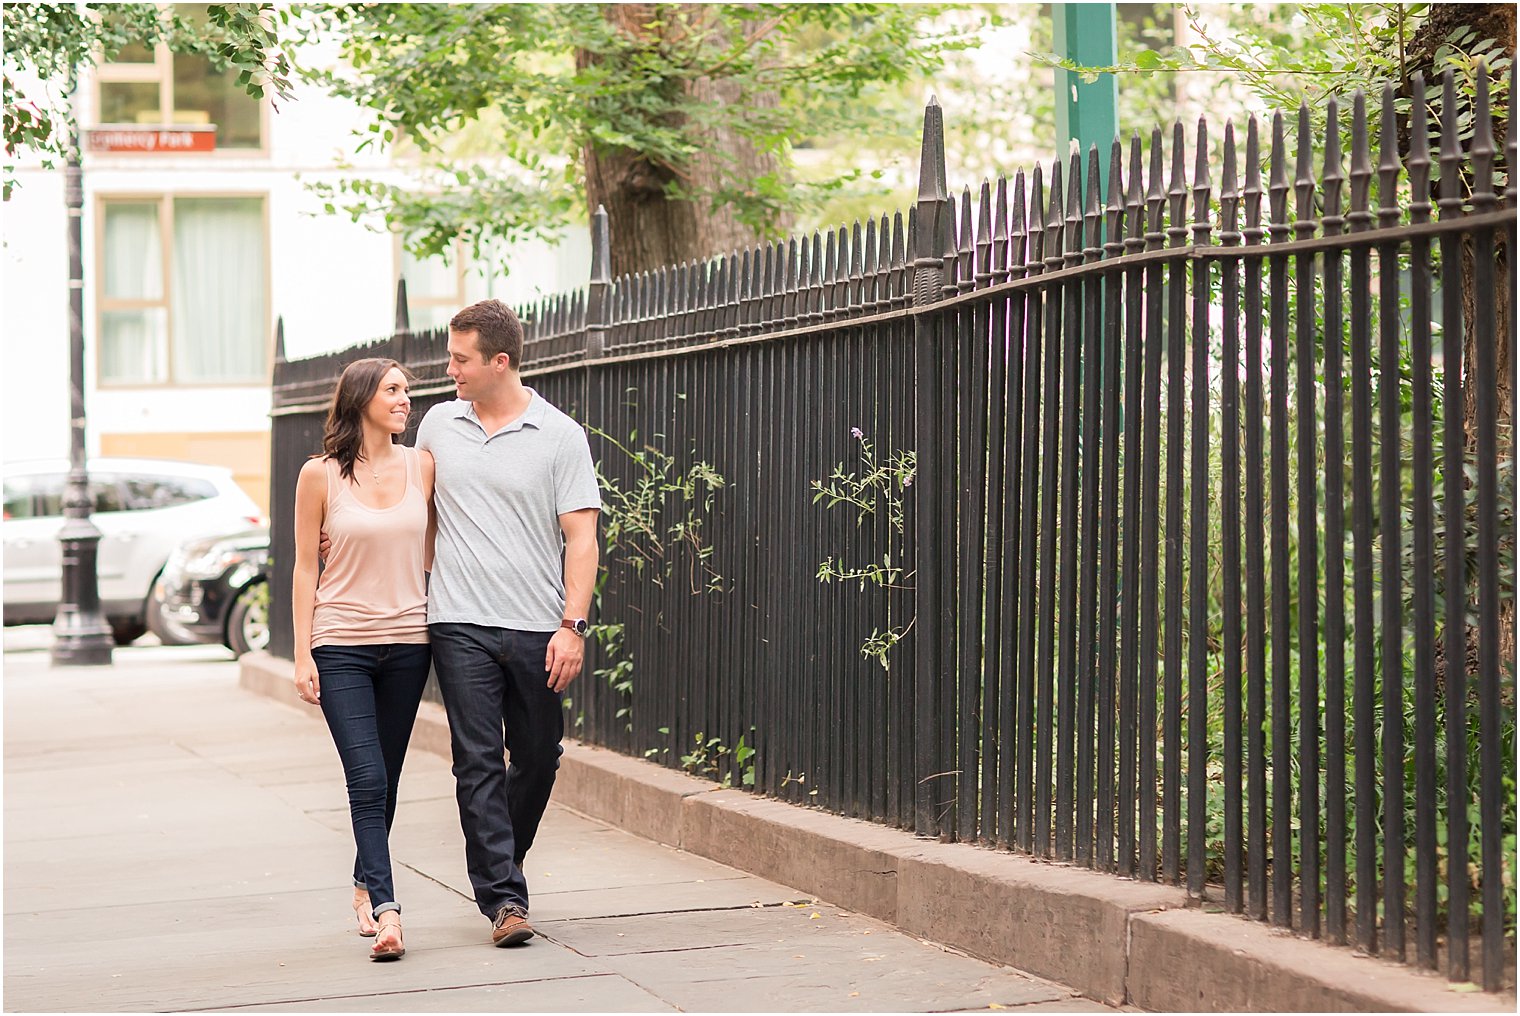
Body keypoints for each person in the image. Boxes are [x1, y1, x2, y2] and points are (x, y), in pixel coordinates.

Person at [416, 298, 600, 948]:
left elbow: (582, 538)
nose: (450, 369)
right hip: (458, 619)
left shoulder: (559, 436)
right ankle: (504, 901)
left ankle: (501, 864)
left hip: (536, 626)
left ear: (500, 361)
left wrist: (572, 625)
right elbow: (413, 508)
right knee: (476, 762)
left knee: (539, 758)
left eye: (460, 359)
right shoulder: (438, 425)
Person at [292, 357, 434, 962]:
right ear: (361, 400)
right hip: (341, 641)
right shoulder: (319, 476)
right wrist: (302, 652)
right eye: (393, 390)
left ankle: (361, 880)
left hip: (408, 640)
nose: (405, 399)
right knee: (367, 777)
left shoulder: (422, 465)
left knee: (388, 776)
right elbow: (304, 566)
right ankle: (388, 910)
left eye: (407, 390)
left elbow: (434, 550)